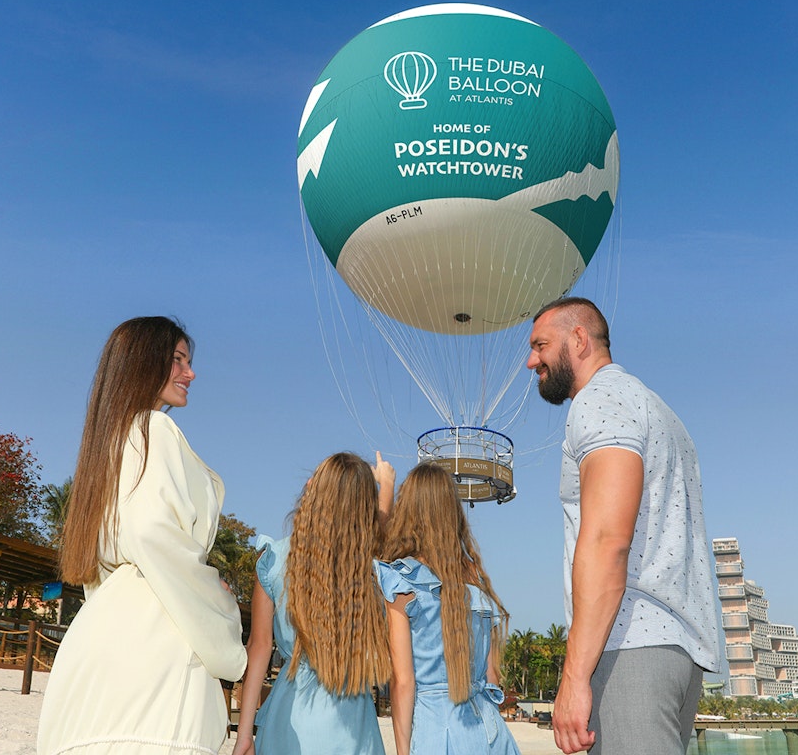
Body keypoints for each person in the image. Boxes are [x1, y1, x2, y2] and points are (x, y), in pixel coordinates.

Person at [37, 316, 247, 755]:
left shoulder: (104, 449)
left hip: (96, 648)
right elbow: (153, 533)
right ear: (141, 362)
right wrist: (222, 603)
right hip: (158, 645)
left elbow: (102, 567)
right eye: (177, 360)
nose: (190, 373)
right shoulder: (153, 430)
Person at [526, 297, 722, 755]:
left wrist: (574, 677)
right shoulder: (658, 410)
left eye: (540, 345)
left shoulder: (598, 401)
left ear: (579, 339)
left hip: (629, 647)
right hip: (677, 652)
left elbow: (606, 540)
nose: (531, 360)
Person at [231, 451, 394, 755]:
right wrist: (385, 486)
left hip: (289, 716)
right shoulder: (368, 569)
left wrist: (244, 735)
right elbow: (380, 531)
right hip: (351, 720)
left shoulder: (274, 560)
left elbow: (259, 649)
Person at [376, 463, 520, 755]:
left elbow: (404, 682)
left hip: (437, 733)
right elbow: (491, 674)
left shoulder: (402, 580)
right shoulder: (474, 577)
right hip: (490, 732)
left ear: (409, 510)